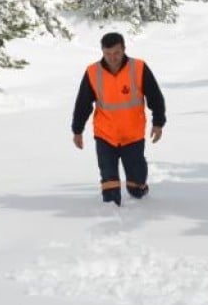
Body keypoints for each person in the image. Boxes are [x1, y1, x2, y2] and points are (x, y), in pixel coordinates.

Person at [71, 32, 166, 205]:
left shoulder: (138, 67)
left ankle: (139, 188)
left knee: (136, 190)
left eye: (116, 53)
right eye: (108, 54)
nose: (112, 58)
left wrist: (158, 123)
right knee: (110, 192)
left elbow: (155, 97)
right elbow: (83, 104)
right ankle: (111, 217)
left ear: (124, 49)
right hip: (105, 135)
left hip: (133, 135)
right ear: (102, 51)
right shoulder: (93, 72)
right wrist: (77, 130)